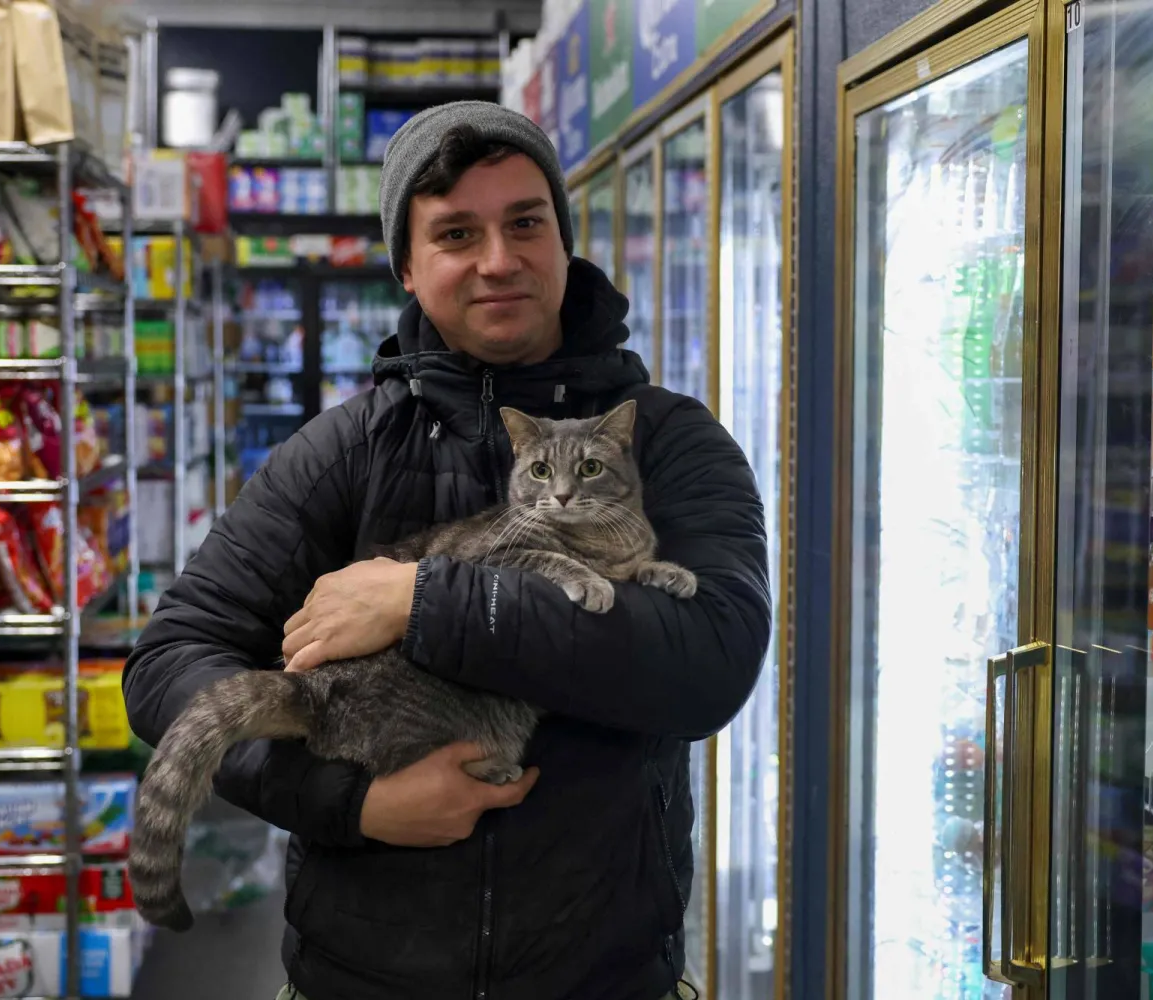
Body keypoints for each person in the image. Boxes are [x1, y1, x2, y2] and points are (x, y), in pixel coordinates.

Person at [123, 101, 771, 1000]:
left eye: (525, 223)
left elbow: (714, 665)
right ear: (407, 266)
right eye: (457, 232)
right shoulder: (341, 453)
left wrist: (427, 601)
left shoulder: (669, 442)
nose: (499, 260)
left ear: (563, 239)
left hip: (608, 978)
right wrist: (351, 805)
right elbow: (166, 668)